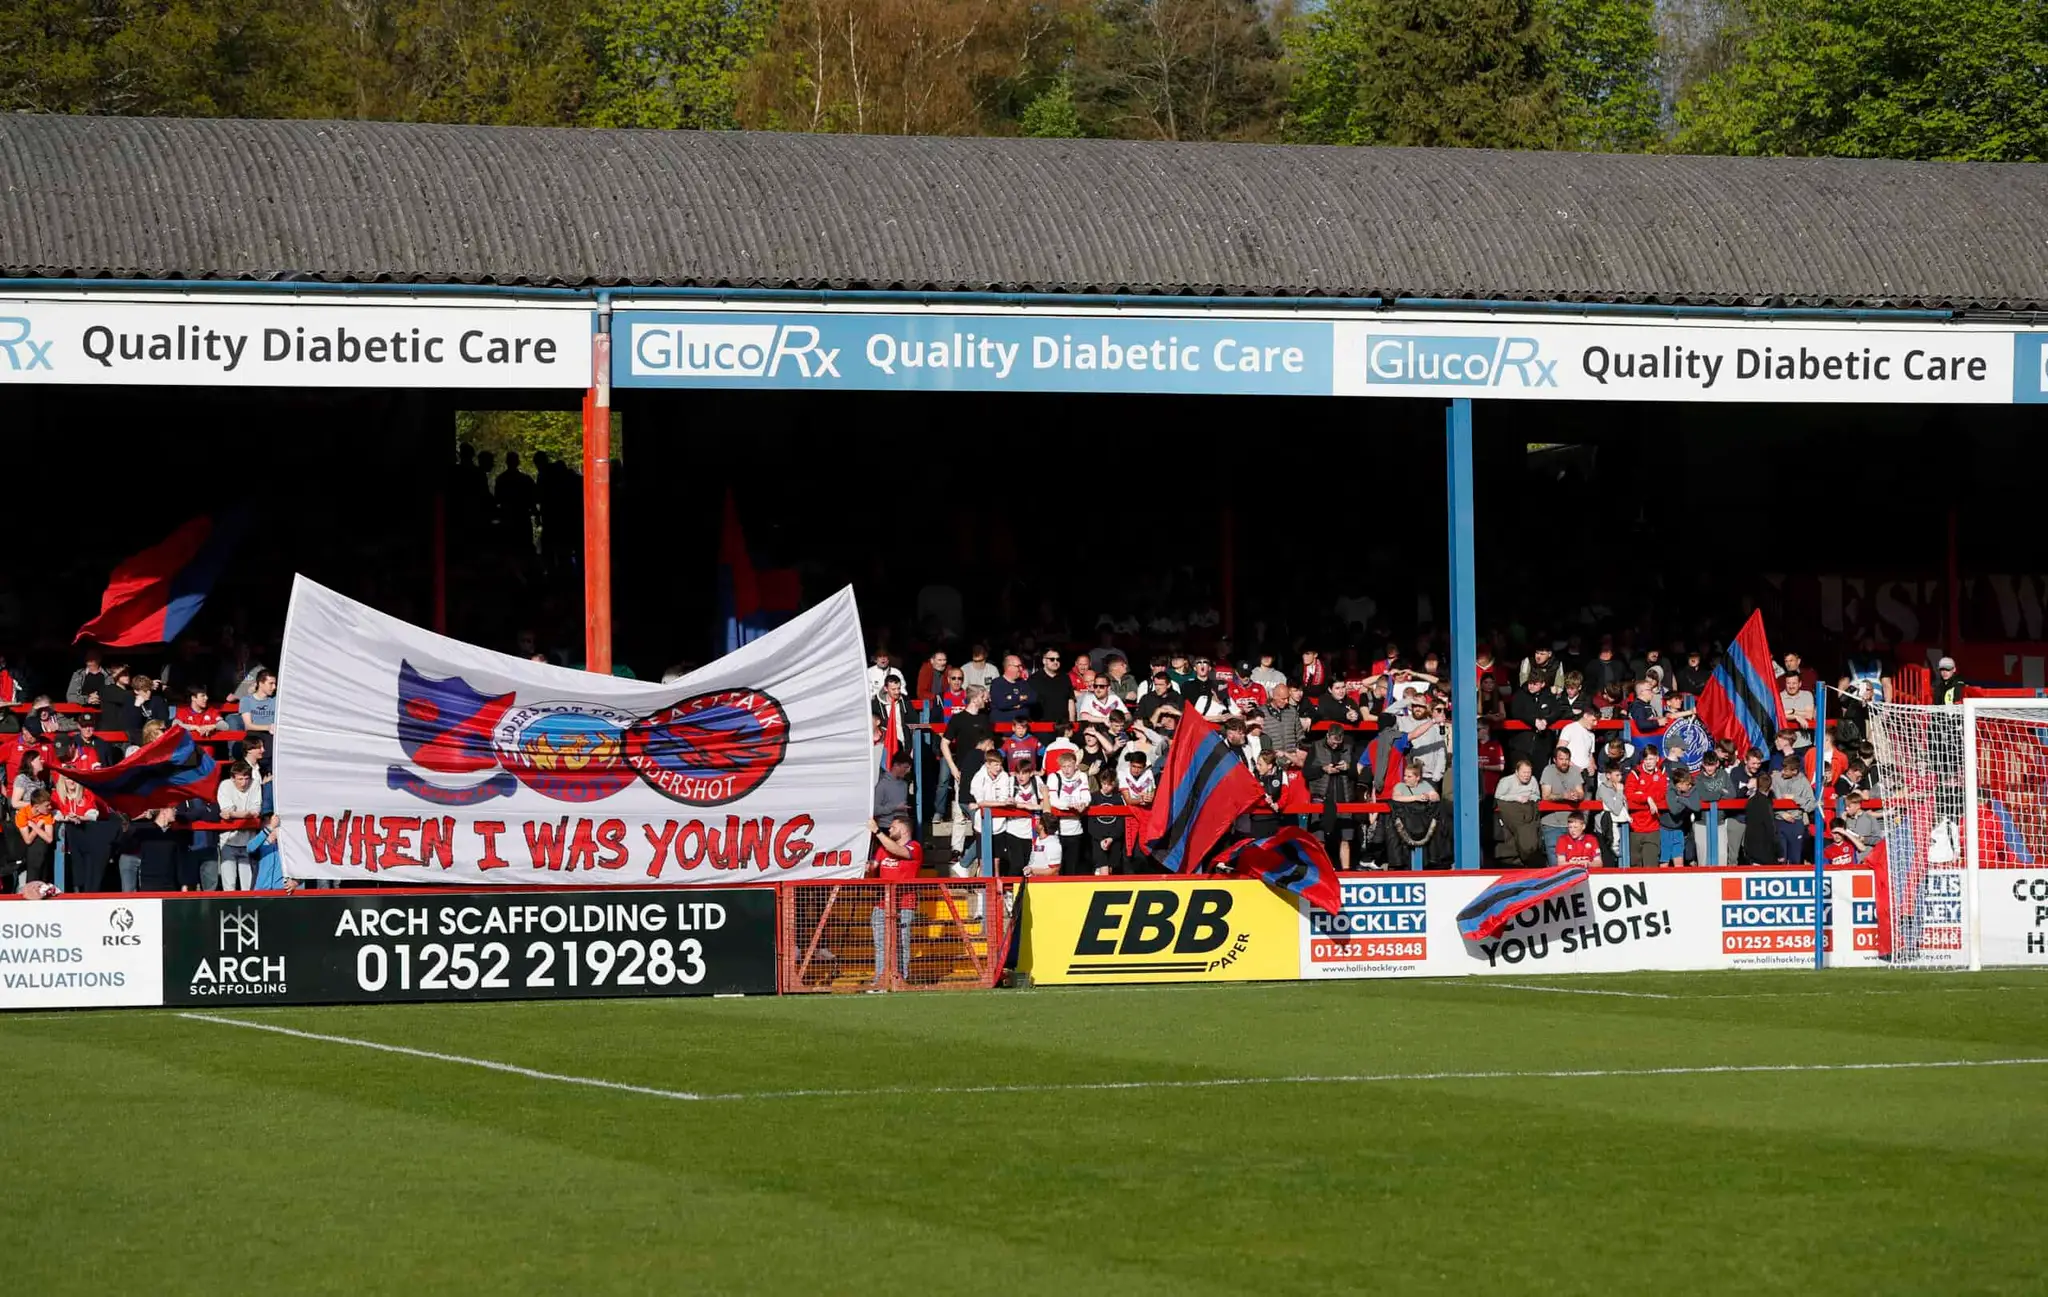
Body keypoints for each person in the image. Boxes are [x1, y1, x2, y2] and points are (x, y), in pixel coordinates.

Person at [867, 815, 921, 986]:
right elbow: (872, 869)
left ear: (904, 830)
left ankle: (901, 979)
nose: (889, 830)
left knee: (902, 943)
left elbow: (899, 852)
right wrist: (868, 868)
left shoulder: (915, 847)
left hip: (904, 904)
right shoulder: (882, 849)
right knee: (881, 945)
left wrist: (877, 832)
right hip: (882, 904)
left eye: (893, 827)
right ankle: (881, 979)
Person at [1307, 724, 1361, 870]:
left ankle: (1346, 870)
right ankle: (1322, 870)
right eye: (1333, 742)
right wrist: (1323, 769)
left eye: (1338, 743)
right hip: (1321, 797)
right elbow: (1306, 772)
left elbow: (1357, 774)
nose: (1335, 745)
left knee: (1346, 838)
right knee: (1320, 839)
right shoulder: (1316, 747)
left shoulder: (1349, 748)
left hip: (1344, 797)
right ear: (1327, 736)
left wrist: (1348, 767)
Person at [216, 761, 264, 891]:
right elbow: (226, 809)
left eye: (247, 778)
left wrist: (233, 814)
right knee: (229, 885)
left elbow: (256, 810)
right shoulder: (225, 785)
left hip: (248, 842)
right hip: (228, 840)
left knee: (248, 886)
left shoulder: (254, 785)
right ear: (233, 778)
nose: (244, 783)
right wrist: (246, 813)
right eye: (240, 779)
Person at [1045, 748, 1092, 870]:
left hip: (1076, 830)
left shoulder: (1082, 776)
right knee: (1056, 868)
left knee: (1072, 867)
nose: (1066, 770)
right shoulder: (1054, 777)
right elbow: (1053, 800)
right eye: (1063, 766)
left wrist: (1083, 803)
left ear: (1075, 765)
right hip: (1057, 831)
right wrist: (1070, 805)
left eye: (1069, 766)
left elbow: (1086, 796)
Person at [1538, 746, 1586, 864]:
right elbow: (1546, 795)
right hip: (1552, 824)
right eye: (1561, 759)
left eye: (1567, 759)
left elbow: (1581, 792)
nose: (1564, 762)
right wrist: (1563, 796)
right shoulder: (1548, 771)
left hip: (1571, 823)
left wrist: (1577, 795)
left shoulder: (1574, 771)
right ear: (1555, 760)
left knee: (1574, 860)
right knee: (1555, 863)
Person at [1623, 747, 1668, 869]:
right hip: (1635, 827)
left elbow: (1663, 795)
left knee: (1651, 865)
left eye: (1651, 759)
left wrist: (1641, 795)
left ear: (1657, 759)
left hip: (1653, 827)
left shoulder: (1661, 773)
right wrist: (1647, 798)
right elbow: (1629, 795)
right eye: (1646, 759)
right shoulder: (1635, 774)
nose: (1648, 762)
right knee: (1635, 866)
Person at [1494, 758, 1544, 866]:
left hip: (1528, 807)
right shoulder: (1506, 781)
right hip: (1512, 808)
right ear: (1517, 772)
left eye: (1529, 772)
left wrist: (1529, 798)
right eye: (1524, 772)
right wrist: (1517, 798)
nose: (1526, 775)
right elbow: (1499, 796)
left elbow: (1537, 795)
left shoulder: (1533, 780)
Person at [1772, 759, 1817, 863]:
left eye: (1786, 770)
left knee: (1795, 858)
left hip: (1796, 823)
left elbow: (1811, 804)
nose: (1782, 772)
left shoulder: (1803, 781)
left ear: (1795, 771)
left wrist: (1794, 798)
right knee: (1781, 858)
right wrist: (1781, 813)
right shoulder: (1775, 778)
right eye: (1782, 769)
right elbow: (1770, 800)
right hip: (1779, 822)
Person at [989, 655, 1035, 727]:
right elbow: (1002, 704)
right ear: (1009, 667)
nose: (1021, 668)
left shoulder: (1023, 683)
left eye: (1021, 666)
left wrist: (1011, 699)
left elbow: (1032, 698)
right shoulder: (997, 683)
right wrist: (1020, 698)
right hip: (1004, 730)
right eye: (1018, 666)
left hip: (1023, 730)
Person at [1033, 648, 1075, 726]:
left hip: (1063, 726)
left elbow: (1070, 700)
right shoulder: (1033, 680)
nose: (1056, 662)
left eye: (1058, 659)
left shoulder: (1065, 678)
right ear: (1044, 661)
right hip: (1042, 726)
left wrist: (1072, 723)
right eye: (1052, 659)